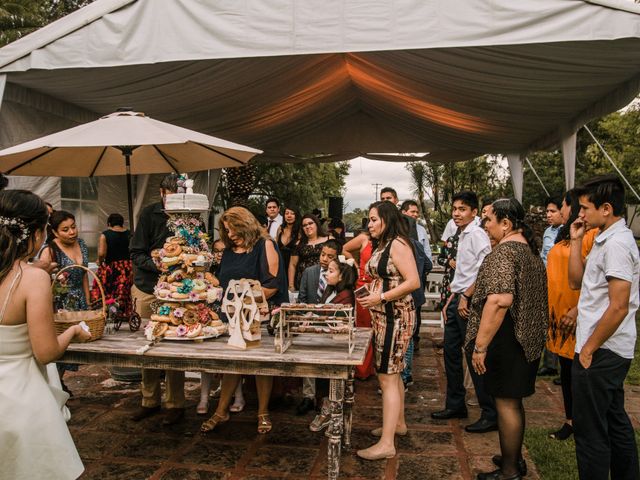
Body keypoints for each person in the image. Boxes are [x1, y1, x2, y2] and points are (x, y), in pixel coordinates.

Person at [0, 189, 91, 480]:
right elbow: (46, 352)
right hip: (19, 400)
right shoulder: (32, 278)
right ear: (38, 234)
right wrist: (74, 330)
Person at [467, 198, 548, 480]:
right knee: (513, 402)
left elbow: (500, 301)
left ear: (506, 223)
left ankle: (510, 471)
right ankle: (512, 456)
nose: (485, 225)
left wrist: (480, 346)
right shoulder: (529, 251)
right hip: (528, 338)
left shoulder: (505, 253)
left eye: (488, 219)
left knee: (506, 403)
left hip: (509, 338)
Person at [568, 174, 639, 480]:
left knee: (590, 432)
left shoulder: (618, 244)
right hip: (603, 348)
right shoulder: (603, 237)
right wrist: (574, 240)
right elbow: (576, 282)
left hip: (602, 350)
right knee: (615, 421)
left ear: (606, 208)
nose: (580, 214)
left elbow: (619, 305)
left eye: (585, 208)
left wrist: (589, 349)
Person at [201, 206, 288, 435]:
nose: (230, 235)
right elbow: (224, 282)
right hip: (231, 316)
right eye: (226, 231)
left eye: (233, 230)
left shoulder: (265, 245)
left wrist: (244, 299)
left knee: (261, 366)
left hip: (259, 315)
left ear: (246, 225)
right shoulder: (229, 250)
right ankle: (221, 410)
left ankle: (262, 412)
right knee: (232, 363)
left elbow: (272, 285)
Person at [357, 201, 419, 460]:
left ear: (386, 219)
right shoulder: (383, 243)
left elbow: (413, 281)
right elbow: (386, 277)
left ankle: (387, 444)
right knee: (393, 373)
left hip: (396, 318)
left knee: (387, 377)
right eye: (368, 219)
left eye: (373, 219)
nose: (369, 224)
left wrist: (380, 297)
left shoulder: (398, 244)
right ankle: (399, 424)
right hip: (385, 317)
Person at [432, 191, 497, 434]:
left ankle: (489, 412)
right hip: (455, 298)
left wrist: (467, 295)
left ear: (473, 212)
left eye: (462, 209)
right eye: (455, 209)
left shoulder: (477, 234)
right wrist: (452, 297)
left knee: (474, 357)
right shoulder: (459, 234)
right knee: (450, 354)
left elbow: (487, 267)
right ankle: (455, 404)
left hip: (469, 301)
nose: (456, 214)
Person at [129, 174, 186, 426]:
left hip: (180, 290)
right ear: (162, 193)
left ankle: (176, 404)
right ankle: (149, 400)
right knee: (148, 345)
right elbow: (136, 253)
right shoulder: (148, 215)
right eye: (171, 200)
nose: (176, 206)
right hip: (148, 287)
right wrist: (158, 265)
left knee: (175, 346)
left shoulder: (190, 215)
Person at [545, 190, 598, 441]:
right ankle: (570, 419)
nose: (562, 211)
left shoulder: (592, 236)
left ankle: (582, 421)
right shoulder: (568, 234)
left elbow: (594, 281)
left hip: (576, 313)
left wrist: (577, 310)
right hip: (559, 313)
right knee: (566, 371)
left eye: (563, 206)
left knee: (579, 373)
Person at [40, 210, 90, 393]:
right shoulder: (49, 250)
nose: (72, 232)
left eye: (74, 227)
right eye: (65, 229)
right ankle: (53, 386)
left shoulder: (82, 244)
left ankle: (57, 385)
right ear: (54, 232)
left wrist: (89, 302)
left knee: (79, 350)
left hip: (81, 302)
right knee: (60, 348)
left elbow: (85, 274)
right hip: (60, 305)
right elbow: (41, 281)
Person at [309, 256, 358, 432]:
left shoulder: (346, 296)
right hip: (324, 341)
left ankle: (332, 411)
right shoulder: (329, 291)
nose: (326, 274)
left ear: (342, 276)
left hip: (338, 345)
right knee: (321, 377)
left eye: (331, 271)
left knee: (333, 379)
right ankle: (325, 407)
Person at [296, 239, 342, 415]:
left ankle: (325, 398)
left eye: (330, 256)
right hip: (309, 322)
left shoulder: (338, 274)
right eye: (323, 254)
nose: (324, 258)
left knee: (326, 361)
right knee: (308, 360)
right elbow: (302, 297)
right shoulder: (309, 272)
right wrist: (304, 316)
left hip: (329, 324)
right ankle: (308, 396)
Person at [198, 238, 227, 414]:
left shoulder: (231, 267)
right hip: (210, 315)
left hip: (227, 315)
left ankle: (234, 394)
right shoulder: (208, 270)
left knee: (228, 360)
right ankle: (203, 397)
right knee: (206, 359)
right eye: (216, 251)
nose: (219, 254)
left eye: (223, 251)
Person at [342, 231, 376, 380]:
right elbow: (344, 249)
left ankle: (377, 366)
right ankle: (363, 369)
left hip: (379, 286)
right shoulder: (364, 238)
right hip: (363, 285)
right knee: (364, 326)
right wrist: (356, 266)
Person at [538, 196, 564, 377]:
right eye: (547, 211)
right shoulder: (548, 231)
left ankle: (564, 367)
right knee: (548, 322)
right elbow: (543, 256)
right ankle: (550, 363)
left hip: (562, 283)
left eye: (552, 211)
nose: (548, 215)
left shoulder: (569, 232)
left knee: (562, 323)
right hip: (547, 282)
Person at [92, 213, 133, 317]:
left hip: (113, 267)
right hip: (127, 267)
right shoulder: (130, 234)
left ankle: (109, 311)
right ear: (122, 223)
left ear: (109, 223)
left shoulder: (105, 235)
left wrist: (100, 261)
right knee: (124, 290)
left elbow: (102, 253)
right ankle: (123, 312)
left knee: (108, 288)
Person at [288, 214, 330, 290]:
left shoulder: (328, 239)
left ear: (316, 224)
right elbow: (292, 265)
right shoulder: (298, 244)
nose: (307, 227)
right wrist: (291, 285)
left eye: (310, 223)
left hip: (325, 280)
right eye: (304, 225)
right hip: (304, 282)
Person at [276, 206, 301, 272]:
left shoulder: (300, 230)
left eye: (292, 213)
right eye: (287, 213)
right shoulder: (280, 228)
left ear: (296, 216)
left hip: (294, 268)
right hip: (280, 266)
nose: (289, 216)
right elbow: (276, 248)